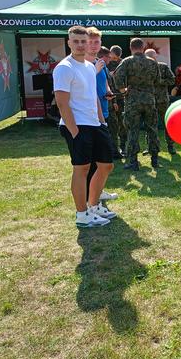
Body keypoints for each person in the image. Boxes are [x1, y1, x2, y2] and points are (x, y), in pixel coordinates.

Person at [52, 26, 116, 228]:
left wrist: (102, 122)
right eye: (76, 41)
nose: (80, 45)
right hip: (77, 125)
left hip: (95, 123)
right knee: (82, 169)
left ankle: (94, 205)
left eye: (83, 41)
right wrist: (74, 132)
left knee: (106, 165)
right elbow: (62, 103)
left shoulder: (89, 67)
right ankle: (82, 214)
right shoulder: (64, 67)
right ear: (69, 42)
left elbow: (92, 97)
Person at [115, 38, 161, 170]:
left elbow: (117, 77)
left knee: (132, 130)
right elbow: (158, 81)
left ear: (131, 48)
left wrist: (123, 89)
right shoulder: (152, 62)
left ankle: (133, 162)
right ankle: (155, 160)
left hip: (133, 100)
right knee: (152, 129)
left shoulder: (127, 61)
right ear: (143, 47)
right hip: (149, 99)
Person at [85, 28, 118, 203]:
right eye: (90, 41)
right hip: (90, 116)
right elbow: (83, 86)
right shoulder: (84, 64)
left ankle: (99, 191)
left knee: (101, 160)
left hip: (103, 112)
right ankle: (92, 199)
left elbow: (104, 84)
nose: (94, 45)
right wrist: (95, 70)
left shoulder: (100, 62)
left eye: (97, 42)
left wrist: (109, 92)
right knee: (93, 162)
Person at [145, 48, 177, 155]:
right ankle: (150, 147)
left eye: (153, 56)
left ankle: (171, 146)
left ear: (156, 56)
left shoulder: (163, 66)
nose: (152, 58)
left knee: (168, 124)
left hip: (163, 100)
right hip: (149, 101)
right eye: (149, 56)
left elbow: (172, 79)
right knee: (150, 125)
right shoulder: (143, 69)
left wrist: (160, 82)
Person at [106, 45, 127, 156]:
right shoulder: (107, 63)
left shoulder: (124, 63)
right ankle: (114, 148)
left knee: (122, 124)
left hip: (121, 98)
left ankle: (123, 147)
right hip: (111, 98)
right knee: (113, 125)